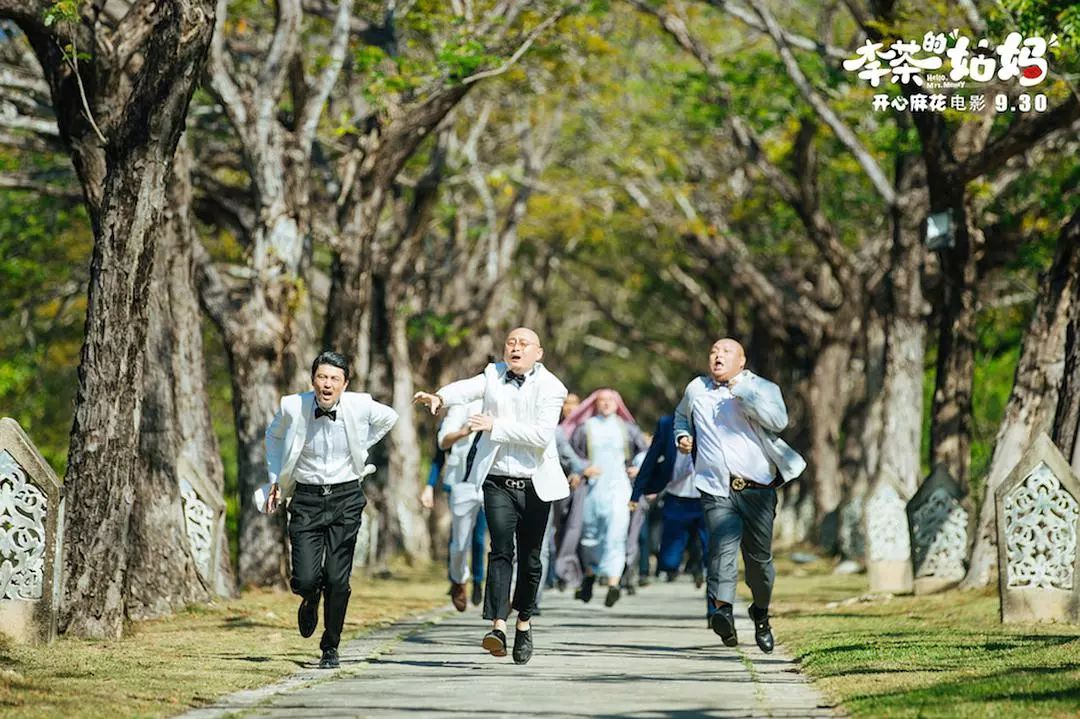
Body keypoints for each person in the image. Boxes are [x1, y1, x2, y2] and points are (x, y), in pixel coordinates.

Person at [414, 327, 568, 665]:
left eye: (523, 343)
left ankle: (523, 623)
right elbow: (466, 388)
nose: (515, 347)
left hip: (535, 485)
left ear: (538, 353)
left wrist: (494, 427)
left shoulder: (553, 387)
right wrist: (441, 397)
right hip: (496, 480)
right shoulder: (492, 374)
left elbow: (542, 436)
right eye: (510, 342)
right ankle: (498, 626)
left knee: (530, 560)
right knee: (500, 551)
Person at [264, 351, 398, 669]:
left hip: (346, 497)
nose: (327, 384)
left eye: (334, 379)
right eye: (322, 377)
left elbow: (390, 418)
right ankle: (310, 598)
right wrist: (274, 478)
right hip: (307, 499)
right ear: (313, 380)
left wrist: (363, 445)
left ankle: (330, 646)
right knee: (306, 578)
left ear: (344, 383)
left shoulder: (360, 404)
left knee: (338, 580)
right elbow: (273, 436)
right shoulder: (292, 406)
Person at [674, 338, 805, 653]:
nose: (718, 356)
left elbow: (779, 422)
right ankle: (723, 613)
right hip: (715, 486)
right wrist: (683, 435)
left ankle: (760, 613)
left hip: (757, 489)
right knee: (722, 550)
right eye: (713, 351)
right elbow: (681, 416)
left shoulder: (763, 388)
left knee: (759, 564)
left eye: (726, 352)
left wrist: (742, 393)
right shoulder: (696, 389)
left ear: (742, 361)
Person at [567, 389, 647, 607]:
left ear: (618, 403)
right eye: (602, 400)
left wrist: (638, 468)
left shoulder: (627, 428)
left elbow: (643, 452)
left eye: (610, 400)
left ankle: (613, 583)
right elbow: (571, 454)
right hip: (592, 489)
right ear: (595, 404)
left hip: (619, 487)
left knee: (616, 532)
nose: (606, 404)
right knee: (591, 533)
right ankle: (590, 574)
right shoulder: (585, 428)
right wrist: (582, 469)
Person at [419, 398, 488, 611]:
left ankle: (480, 581)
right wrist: (429, 486)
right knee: (459, 541)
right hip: (460, 482)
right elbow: (440, 453)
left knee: (482, 539)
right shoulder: (460, 409)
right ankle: (458, 580)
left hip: (490, 483)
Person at [631, 415, 706, 589]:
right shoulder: (666, 424)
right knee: (669, 559)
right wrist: (636, 494)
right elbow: (651, 459)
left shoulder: (714, 420)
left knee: (708, 549)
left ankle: (701, 571)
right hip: (676, 497)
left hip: (706, 497)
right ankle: (676, 568)